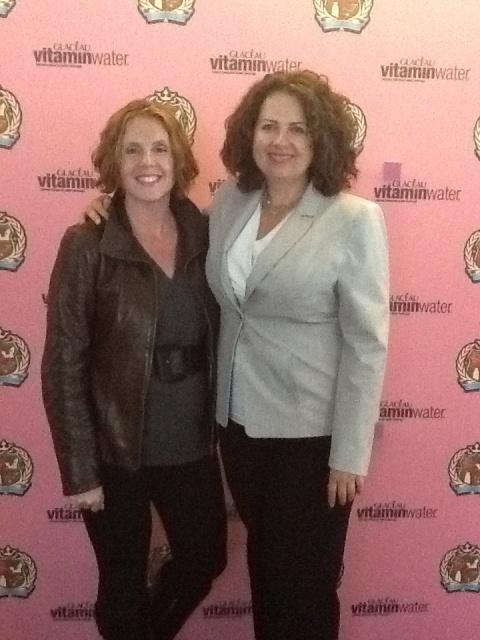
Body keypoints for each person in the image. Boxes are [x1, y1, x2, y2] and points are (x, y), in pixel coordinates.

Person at [83, 70, 389, 640]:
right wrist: (112, 207)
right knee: (266, 574)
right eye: (268, 126)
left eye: (298, 128)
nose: (281, 140)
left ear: (320, 139)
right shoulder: (230, 203)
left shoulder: (353, 219)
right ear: (251, 134)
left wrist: (350, 453)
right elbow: (161, 224)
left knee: (306, 584)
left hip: (312, 439)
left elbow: (367, 343)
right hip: (239, 430)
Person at [41, 99, 227, 640]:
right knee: (121, 585)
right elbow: (63, 362)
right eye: (133, 150)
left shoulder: (205, 234)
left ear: (178, 160)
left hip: (190, 444)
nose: (148, 162)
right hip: (114, 449)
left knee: (205, 559)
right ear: (115, 162)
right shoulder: (88, 243)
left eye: (160, 149)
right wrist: (80, 471)